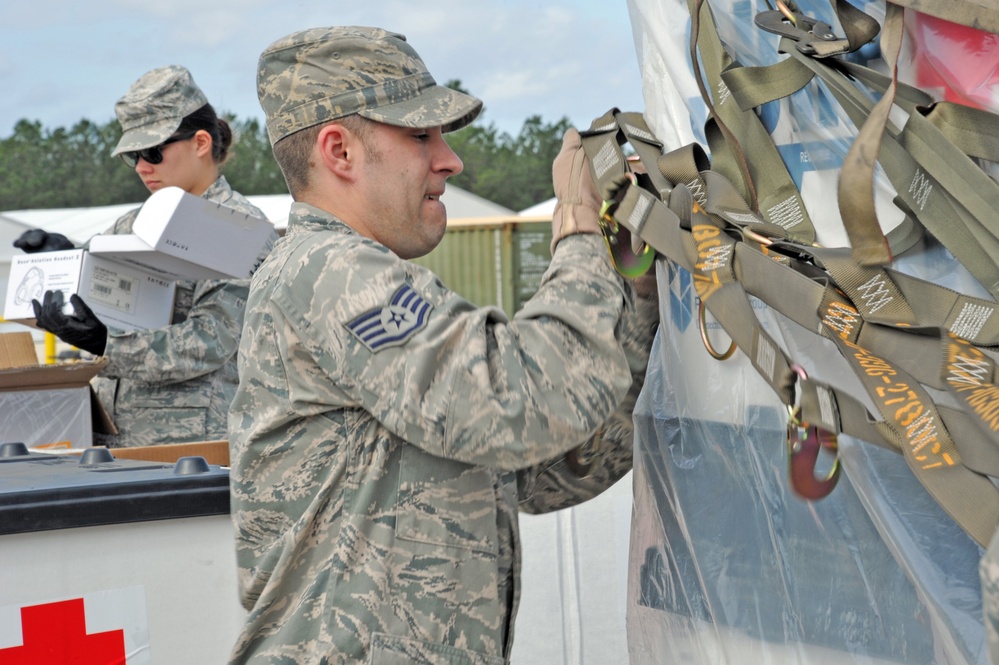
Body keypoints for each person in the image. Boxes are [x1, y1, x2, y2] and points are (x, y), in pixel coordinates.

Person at [228, 26, 658, 665]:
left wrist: (635, 276)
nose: (450, 160)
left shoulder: (358, 277)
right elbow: (522, 409)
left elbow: (552, 465)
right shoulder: (330, 271)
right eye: (421, 135)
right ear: (339, 151)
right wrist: (574, 221)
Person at [19, 65, 277, 447]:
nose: (142, 167)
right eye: (133, 156)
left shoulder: (240, 230)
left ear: (201, 143)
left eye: (153, 152)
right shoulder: (135, 223)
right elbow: (100, 288)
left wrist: (108, 344)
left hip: (192, 450)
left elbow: (211, 342)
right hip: (114, 442)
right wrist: (65, 259)